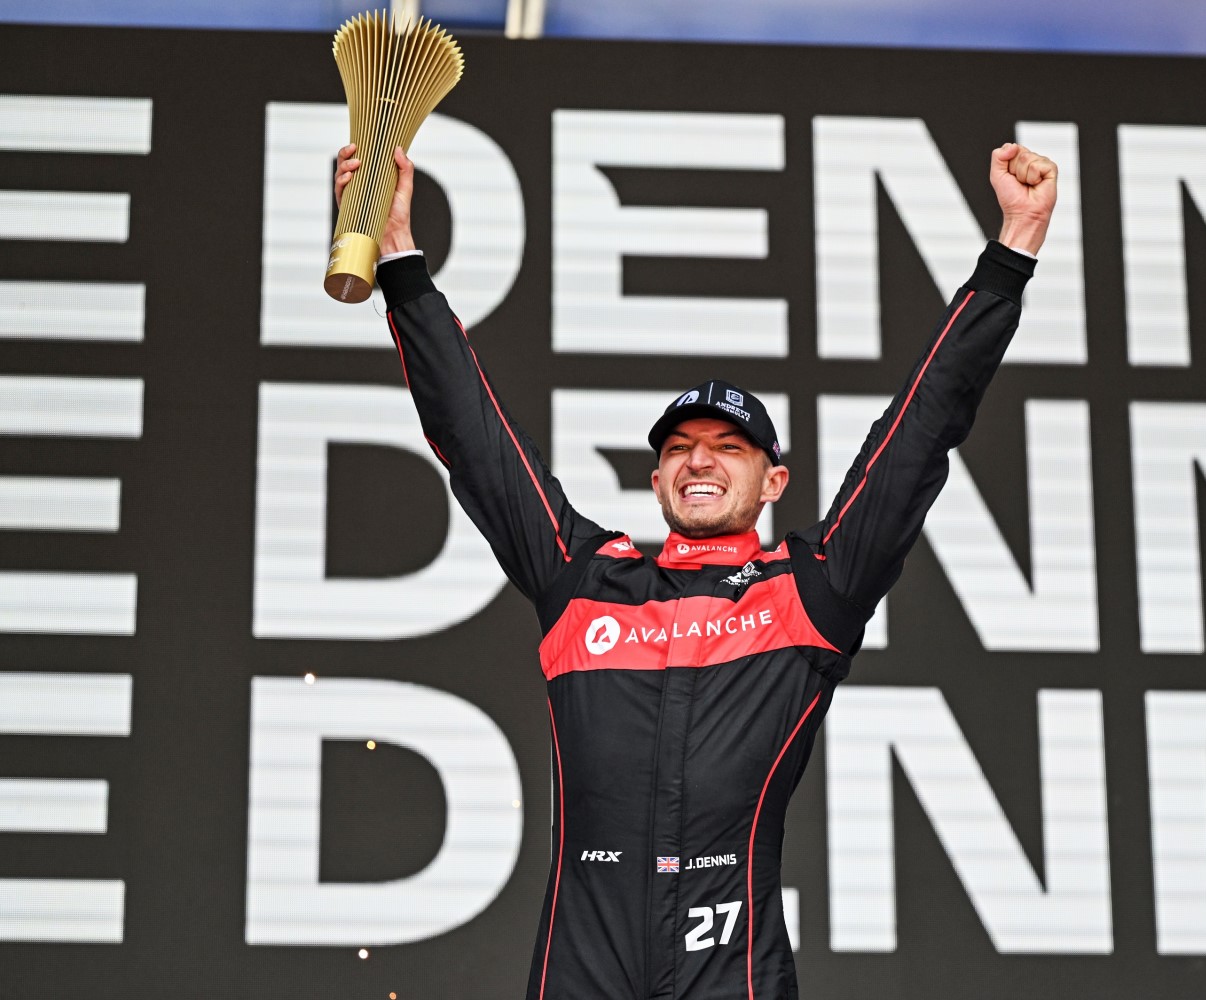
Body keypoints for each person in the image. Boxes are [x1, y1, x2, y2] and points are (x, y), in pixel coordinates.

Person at [334, 138, 1056, 1000]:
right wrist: (402, 258)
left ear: (772, 480)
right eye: (679, 449)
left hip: (731, 974)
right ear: (656, 477)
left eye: (728, 448)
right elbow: (475, 441)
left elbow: (921, 428)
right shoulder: (583, 578)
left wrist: (1011, 253)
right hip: (581, 972)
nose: (700, 462)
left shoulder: (810, 589)